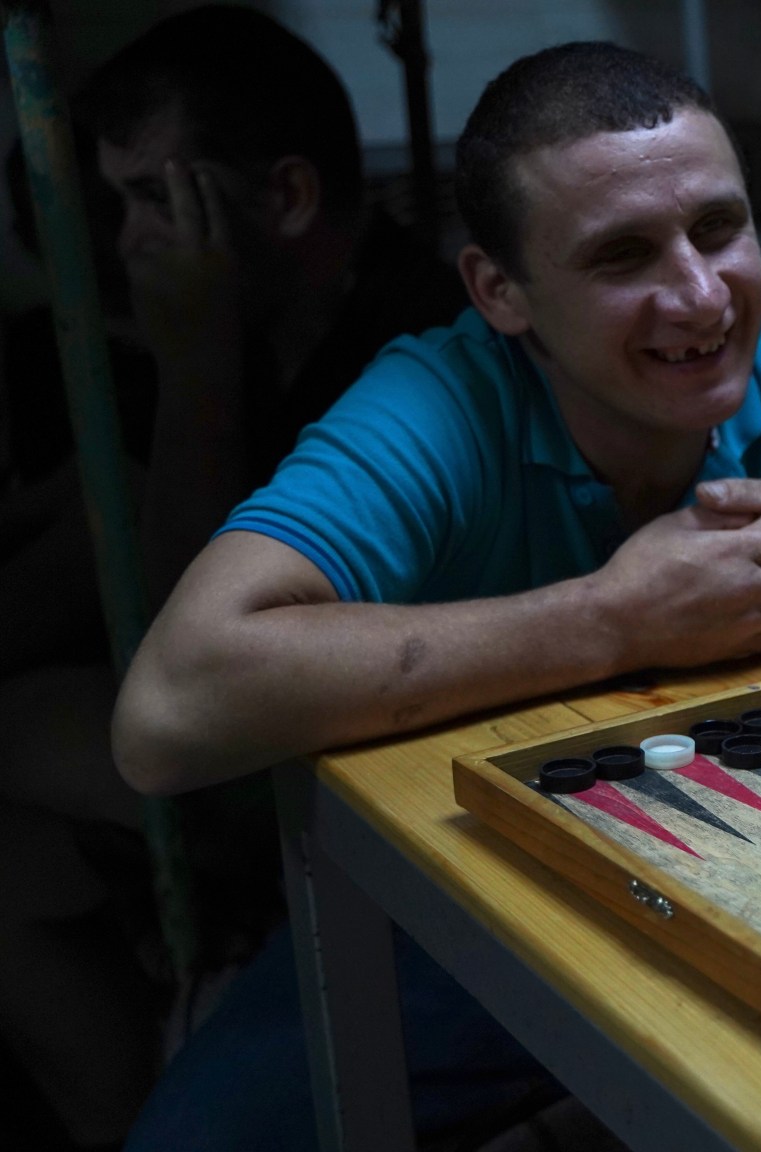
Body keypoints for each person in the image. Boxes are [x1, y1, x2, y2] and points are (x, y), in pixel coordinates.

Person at [109, 42, 761, 1147]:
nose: (702, 294)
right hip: (471, 905)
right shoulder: (433, 403)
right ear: (500, 291)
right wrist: (613, 617)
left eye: (718, 227)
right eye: (623, 254)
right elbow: (169, 712)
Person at [0, 9, 469, 1149]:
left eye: (156, 201)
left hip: (358, 764)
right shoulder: (267, 318)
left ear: (287, 199)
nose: (129, 243)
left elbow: (177, 663)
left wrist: (195, 360)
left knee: (18, 734)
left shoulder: (404, 355)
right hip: (247, 724)